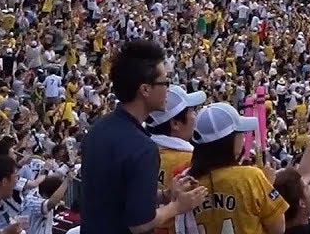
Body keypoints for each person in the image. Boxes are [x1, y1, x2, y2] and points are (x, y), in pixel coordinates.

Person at [80, 40, 206, 234]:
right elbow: (139, 223)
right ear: (145, 89)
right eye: (165, 83)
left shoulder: (98, 130)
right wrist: (178, 206)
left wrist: (164, 195)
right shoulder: (142, 148)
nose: (168, 90)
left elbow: (115, 197)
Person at [186, 102, 288, 234]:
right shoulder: (251, 177)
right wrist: (267, 184)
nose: (243, 137)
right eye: (240, 133)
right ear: (228, 141)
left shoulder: (188, 182)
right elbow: (278, 228)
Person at [148, 85, 207, 234]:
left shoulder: (140, 153)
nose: (195, 115)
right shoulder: (190, 160)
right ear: (175, 123)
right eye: (192, 110)